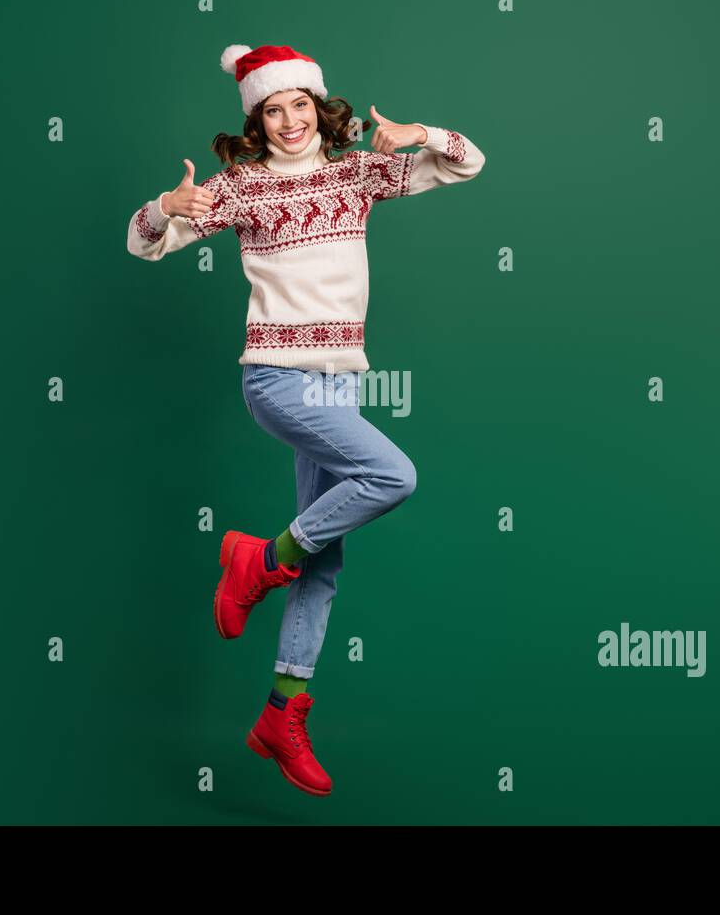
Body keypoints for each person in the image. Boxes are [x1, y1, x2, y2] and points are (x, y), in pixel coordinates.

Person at [126, 43, 485, 796]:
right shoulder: (244, 188)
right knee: (394, 475)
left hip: (340, 386)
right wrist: (163, 208)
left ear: (319, 109)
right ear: (256, 120)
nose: (288, 121)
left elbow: (468, 162)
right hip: (278, 380)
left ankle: (280, 713)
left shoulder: (356, 173)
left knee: (323, 562)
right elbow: (144, 244)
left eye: (298, 105)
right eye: (271, 110)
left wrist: (421, 133)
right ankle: (256, 562)